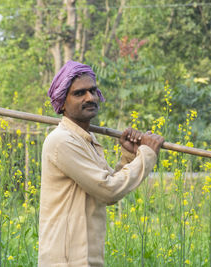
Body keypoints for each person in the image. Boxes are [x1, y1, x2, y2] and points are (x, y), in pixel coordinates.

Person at [39, 60, 164, 266]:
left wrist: (128, 156)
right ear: (62, 102)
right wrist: (148, 153)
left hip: (86, 258)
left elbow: (106, 190)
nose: (90, 97)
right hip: (66, 260)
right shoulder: (62, 141)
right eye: (79, 93)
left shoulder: (85, 139)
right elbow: (109, 190)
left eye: (93, 91)